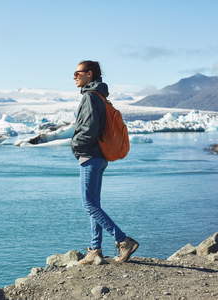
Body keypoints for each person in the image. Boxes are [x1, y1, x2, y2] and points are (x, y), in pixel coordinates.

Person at [71, 60, 139, 264]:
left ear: (89, 74)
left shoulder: (90, 96)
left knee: (89, 204)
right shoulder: (100, 96)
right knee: (95, 204)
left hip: (90, 155)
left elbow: (89, 128)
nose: (74, 76)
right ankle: (95, 251)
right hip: (100, 156)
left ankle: (122, 240)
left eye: (77, 73)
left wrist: (75, 145)